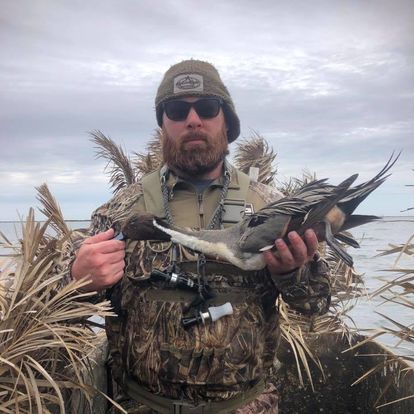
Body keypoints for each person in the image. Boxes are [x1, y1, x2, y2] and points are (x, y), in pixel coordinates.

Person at [69, 60, 331, 413]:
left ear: (227, 121)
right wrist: (78, 280)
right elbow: (66, 313)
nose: (193, 120)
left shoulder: (274, 207)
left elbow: (314, 306)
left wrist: (292, 274)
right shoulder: (119, 212)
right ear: (163, 124)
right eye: (177, 110)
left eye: (207, 108)